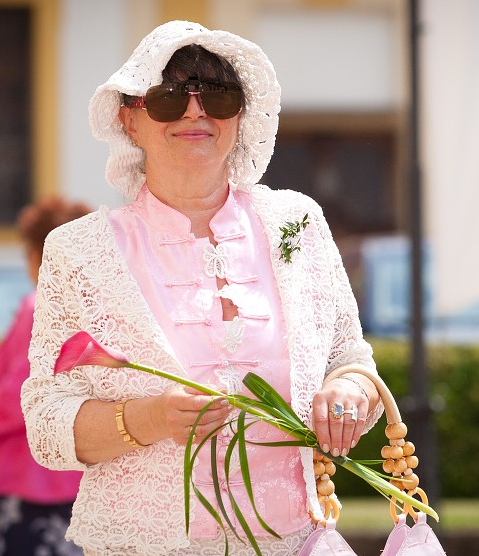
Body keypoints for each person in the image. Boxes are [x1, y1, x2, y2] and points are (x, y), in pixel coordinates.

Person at [21, 21, 384, 556]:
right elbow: (46, 425)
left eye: (217, 95)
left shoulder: (297, 222)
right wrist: (151, 417)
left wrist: (348, 395)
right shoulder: (79, 251)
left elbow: (352, 360)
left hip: (294, 541)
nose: (195, 112)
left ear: (241, 115)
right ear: (130, 119)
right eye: (168, 98)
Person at [0, 198, 90, 556]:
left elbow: (15, 397)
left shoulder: (37, 306)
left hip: (29, 479)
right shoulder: (94, 307)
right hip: (81, 471)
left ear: (39, 254)